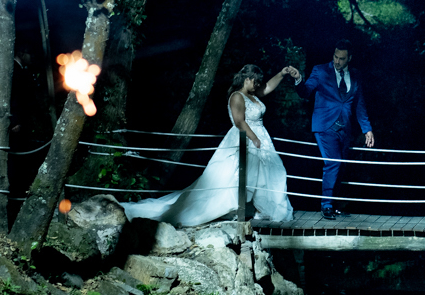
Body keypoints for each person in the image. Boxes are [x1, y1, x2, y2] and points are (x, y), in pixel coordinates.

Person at [122, 64, 298, 226]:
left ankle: (263, 209)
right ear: (247, 79)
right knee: (241, 175)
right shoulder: (237, 96)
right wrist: (254, 138)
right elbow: (239, 121)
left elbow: (267, 88)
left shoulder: (253, 96)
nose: (258, 84)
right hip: (245, 138)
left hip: (262, 139)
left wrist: (282, 74)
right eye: (255, 81)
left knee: (269, 173)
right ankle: (235, 209)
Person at [294, 39, 373, 220]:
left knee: (341, 166)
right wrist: (299, 79)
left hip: (345, 127)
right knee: (333, 162)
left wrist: (367, 129)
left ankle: (334, 204)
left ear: (349, 58)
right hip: (325, 125)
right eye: (335, 57)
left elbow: (359, 104)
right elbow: (305, 92)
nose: (337, 61)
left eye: (342, 58)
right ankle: (326, 205)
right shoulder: (321, 71)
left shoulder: (356, 75)